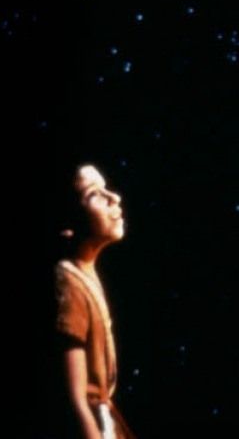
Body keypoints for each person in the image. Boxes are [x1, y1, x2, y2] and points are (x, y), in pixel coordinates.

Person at [55, 164, 135, 439]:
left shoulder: (86, 272)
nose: (114, 197)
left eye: (106, 188)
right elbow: (75, 399)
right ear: (68, 226)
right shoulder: (68, 283)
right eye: (94, 194)